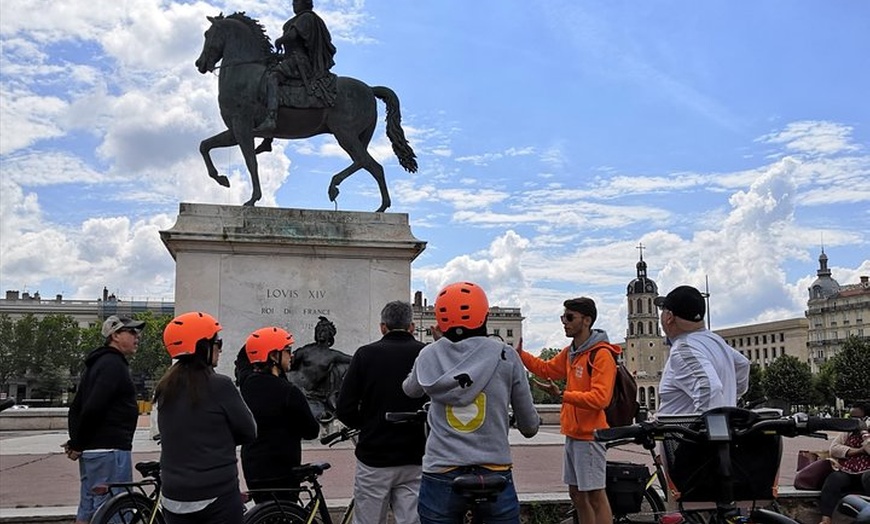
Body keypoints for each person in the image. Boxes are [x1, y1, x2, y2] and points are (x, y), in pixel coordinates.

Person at [402, 281, 540, 524]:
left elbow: (410, 390)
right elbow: (529, 427)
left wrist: (438, 347)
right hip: (493, 471)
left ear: (441, 320)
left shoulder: (429, 353)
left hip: (441, 470)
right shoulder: (506, 355)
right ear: (483, 316)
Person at [516, 297, 618, 524]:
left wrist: (563, 395)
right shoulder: (572, 352)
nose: (565, 322)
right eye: (563, 317)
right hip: (573, 434)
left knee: (594, 496)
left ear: (587, 320)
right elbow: (546, 368)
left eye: (570, 317)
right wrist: (521, 354)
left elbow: (601, 398)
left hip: (591, 436)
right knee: (577, 495)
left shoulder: (600, 354)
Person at [155, 311, 257, 524]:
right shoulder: (220, 385)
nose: (220, 348)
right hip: (216, 493)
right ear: (201, 346)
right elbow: (249, 431)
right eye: (217, 342)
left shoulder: (165, 387)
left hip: (173, 495)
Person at [336, 301, 428, 524]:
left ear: (382, 327)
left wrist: (367, 424)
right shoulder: (425, 354)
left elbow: (344, 408)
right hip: (416, 454)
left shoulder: (365, 355)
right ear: (412, 327)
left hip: (375, 454)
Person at [65, 315, 145, 524]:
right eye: (132, 332)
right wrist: (77, 443)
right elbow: (94, 407)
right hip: (110, 451)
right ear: (115, 335)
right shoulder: (113, 365)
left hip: (94, 452)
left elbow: (77, 408)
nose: (138, 337)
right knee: (115, 510)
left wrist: (78, 442)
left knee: (89, 507)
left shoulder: (96, 364)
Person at [240, 326, 320, 504]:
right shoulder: (287, 391)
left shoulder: (247, 386)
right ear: (273, 356)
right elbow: (311, 431)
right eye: (287, 350)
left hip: (254, 469)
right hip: (282, 470)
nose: (291, 355)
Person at [655, 285, 750, 415]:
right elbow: (742, 364)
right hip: (722, 427)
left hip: (681, 434)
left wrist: (706, 429)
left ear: (669, 317)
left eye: (662, 310)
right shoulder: (716, 341)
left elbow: (708, 389)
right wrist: (731, 398)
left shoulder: (683, 349)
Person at [254, 0, 337, 132]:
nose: (294, 4)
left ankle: (271, 118)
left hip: (299, 62)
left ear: (305, 3)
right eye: (293, 2)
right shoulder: (299, 18)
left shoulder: (306, 17)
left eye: (296, 1)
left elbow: (293, 36)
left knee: (273, 78)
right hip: (291, 59)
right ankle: (268, 139)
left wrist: (280, 40)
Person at [288, 316, 352, 421]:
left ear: (330, 335)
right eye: (318, 330)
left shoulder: (333, 355)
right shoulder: (307, 350)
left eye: (323, 331)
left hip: (314, 395)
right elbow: (289, 362)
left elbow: (355, 360)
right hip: (297, 388)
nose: (320, 333)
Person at [819, 402, 870, 524]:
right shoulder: (848, 432)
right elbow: (834, 449)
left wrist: (864, 433)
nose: (853, 421)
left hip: (867, 474)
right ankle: (826, 519)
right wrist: (858, 451)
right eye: (851, 418)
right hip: (850, 471)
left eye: (857, 418)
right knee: (834, 479)